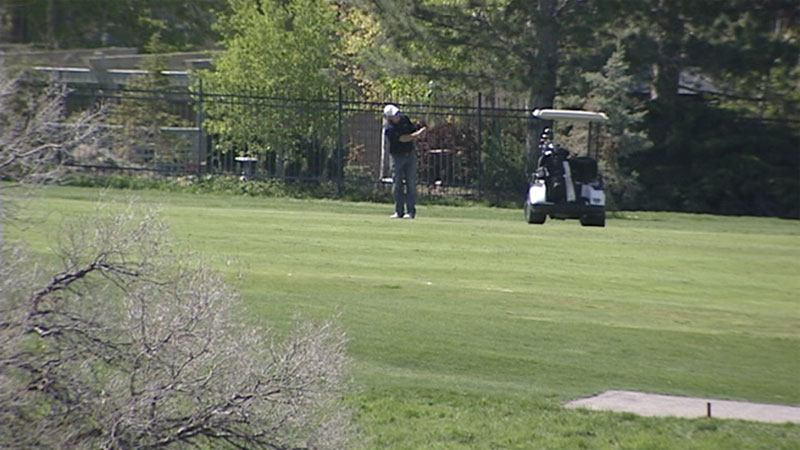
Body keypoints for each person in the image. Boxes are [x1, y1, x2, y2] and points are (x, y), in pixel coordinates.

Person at [383, 104, 427, 219]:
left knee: (411, 184)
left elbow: (413, 130)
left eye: (398, 114)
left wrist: (421, 131)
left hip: (410, 155)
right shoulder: (389, 128)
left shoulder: (405, 119)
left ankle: (411, 212)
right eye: (395, 115)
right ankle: (399, 211)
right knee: (397, 185)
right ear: (389, 117)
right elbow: (403, 139)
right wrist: (416, 135)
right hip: (397, 157)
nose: (398, 116)